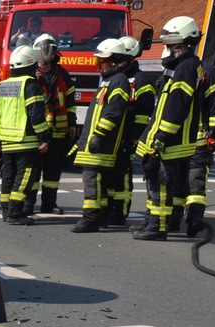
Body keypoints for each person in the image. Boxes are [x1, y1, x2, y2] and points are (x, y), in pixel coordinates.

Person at [133, 16, 206, 241]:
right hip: (175, 140)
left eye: (171, 47)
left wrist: (161, 137)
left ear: (180, 44)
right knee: (160, 182)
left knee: (161, 184)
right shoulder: (183, 67)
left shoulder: (186, 67)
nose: (168, 51)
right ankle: (153, 221)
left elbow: (176, 107)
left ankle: (157, 227)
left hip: (171, 141)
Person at [70, 39, 133, 233]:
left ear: (113, 60)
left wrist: (98, 135)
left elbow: (113, 113)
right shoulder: (110, 80)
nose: (99, 64)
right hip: (95, 143)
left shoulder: (118, 81)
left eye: (102, 61)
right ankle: (101, 217)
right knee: (100, 183)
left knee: (92, 182)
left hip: (102, 145)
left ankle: (90, 219)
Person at [0, 45, 52, 225]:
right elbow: (36, 115)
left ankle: (5, 210)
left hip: (7, 140)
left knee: (8, 176)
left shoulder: (3, 85)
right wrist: (45, 137)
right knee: (25, 176)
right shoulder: (30, 84)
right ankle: (15, 212)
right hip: (26, 140)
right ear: (31, 65)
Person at [25, 34, 77, 216]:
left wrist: (72, 123)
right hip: (37, 133)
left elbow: (70, 101)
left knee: (53, 172)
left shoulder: (62, 74)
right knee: (33, 171)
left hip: (58, 131)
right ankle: (28, 204)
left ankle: (49, 203)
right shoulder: (29, 73)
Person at [108, 35, 158, 227]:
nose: (117, 64)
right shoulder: (114, 78)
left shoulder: (142, 82)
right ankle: (109, 209)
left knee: (122, 176)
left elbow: (143, 116)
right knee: (110, 176)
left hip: (127, 137)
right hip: (113, 136)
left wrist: (132, 140)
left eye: (120, 60)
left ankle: (120, 213)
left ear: (130, 59)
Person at [179, 61, 215, 237]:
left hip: (198, 139)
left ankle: (194, 219)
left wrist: (214, 134)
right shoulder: (179, 71)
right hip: (181, 139)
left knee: (195, 181)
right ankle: (176, 219)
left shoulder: (208, 73)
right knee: (180, 181)